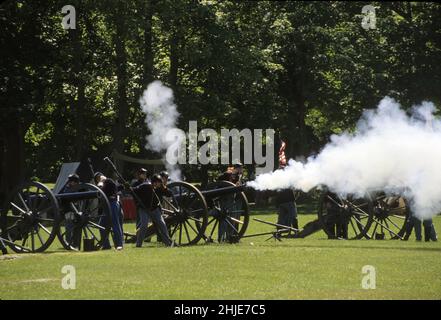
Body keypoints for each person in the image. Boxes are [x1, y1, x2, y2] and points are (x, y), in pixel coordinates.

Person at [131, 174, 174, 247]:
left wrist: (165, 188)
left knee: (162, 224)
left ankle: (168, 243)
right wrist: (129, 188)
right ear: (154, 182)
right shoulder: (144, 186)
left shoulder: (160, 188)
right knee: (144, 225)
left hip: (155, 209)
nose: (159, 184)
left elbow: (169, 194)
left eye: (160, 182)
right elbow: (134, 190)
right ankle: (138, 244)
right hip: (144, 209)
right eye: (158, 182)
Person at [96, 173, 124, 250]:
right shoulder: (106, 183)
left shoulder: (108, 181)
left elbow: (100, 186)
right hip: (107, 205)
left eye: (99, 178)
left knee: (115, 224)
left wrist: (101, 181)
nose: (98, 179)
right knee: (101, 225)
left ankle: (119, 244)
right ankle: (106, 245)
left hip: (112, 204)